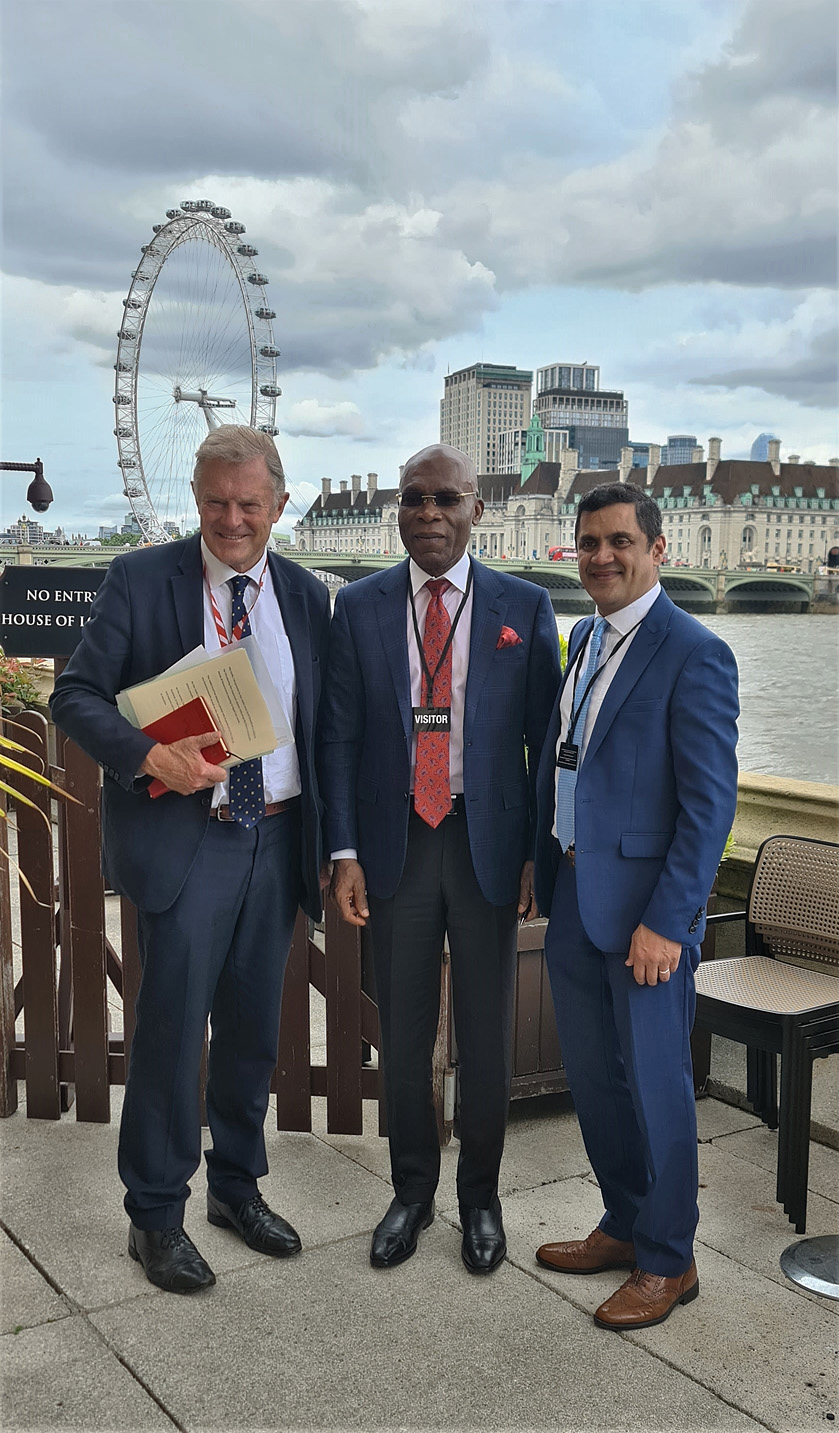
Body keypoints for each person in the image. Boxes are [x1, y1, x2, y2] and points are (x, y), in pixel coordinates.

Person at [50, 426, 330, 1294]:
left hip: (277, 834)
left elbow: (328, 724)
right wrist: (145, 756)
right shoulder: (141, 580)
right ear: (196, 500)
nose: (231, 520)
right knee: (173, 1033)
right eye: (215, 502)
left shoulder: (309, 595)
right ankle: (156, 1215)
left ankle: (236, 1189)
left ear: (279, 504)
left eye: (249, 504)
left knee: (253, 1030)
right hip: (189, 836)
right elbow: (73, 695)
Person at [319, 443, 561, 1274]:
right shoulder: (357, 606)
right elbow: (339, 737)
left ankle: (480, 1198)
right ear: (397, 507)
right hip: (396, 843)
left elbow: (545, 740)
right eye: (413, 497)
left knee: (486, 1037)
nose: (428, 512)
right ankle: (412, 1190)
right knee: (405, 1029)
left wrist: (537, 853)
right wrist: (342, 850)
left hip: (486, 841)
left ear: (476, 510)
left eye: (446, 499)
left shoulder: (524, 607)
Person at [532, 481, 739, 1329]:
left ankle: (668, 1258)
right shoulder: (580, 635)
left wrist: (670, 920)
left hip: (647, 915)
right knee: (594, 1079)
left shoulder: (694, 651)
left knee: (655, 1086)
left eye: (620, 541)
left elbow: (708, 805)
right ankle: (624, 1220)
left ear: (658, 550)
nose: (602, 557)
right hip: (574, 894)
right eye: (588, 543)